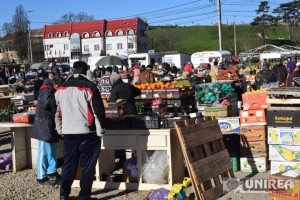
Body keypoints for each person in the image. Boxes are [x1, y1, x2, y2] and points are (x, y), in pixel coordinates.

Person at [55, 61, 105, 200]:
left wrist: (60, 129)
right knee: (87, 166)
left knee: (68, 165)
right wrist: (101, 132)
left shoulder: (60, 88)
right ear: (86, 71)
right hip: (87, 132)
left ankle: (64, 195)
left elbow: (57, 112)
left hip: (69, 132)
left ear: (72, 70)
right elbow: (98, 112)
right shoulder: (90, 87)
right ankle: (84, 196)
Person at [33, 77, 62, 186]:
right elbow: (50, 104)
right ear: (53, 85)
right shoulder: (46, 91)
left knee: (52, 150)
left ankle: (52, 172)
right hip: (44, 126)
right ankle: (41, 177)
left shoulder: (48, 91)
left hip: (49, 125)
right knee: (43, 152)